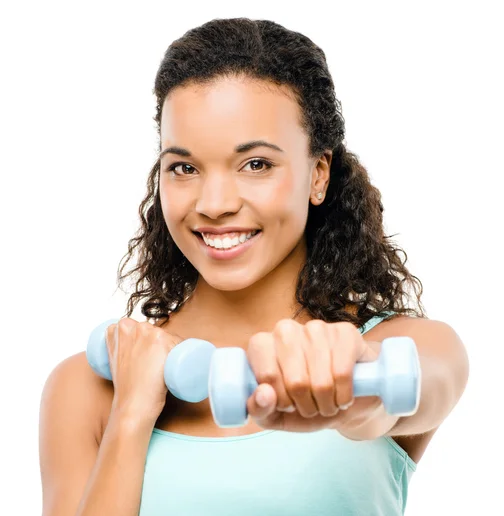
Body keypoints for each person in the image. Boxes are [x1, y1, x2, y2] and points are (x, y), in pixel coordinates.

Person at [39, 17, 469, 516]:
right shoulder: (85, 387)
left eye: (256, 164)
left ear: (318, 174)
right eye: (184, 167)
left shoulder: (406, 347)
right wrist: (131, 413)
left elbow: (421, 385)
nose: (215, 203)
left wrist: (355, 389)